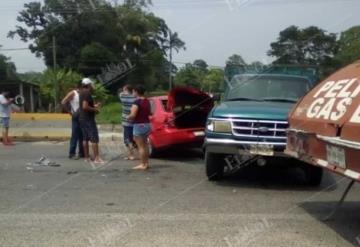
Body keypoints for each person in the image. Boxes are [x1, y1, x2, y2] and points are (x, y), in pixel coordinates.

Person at [79, 78, 105, 164]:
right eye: (92, 85)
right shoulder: (87, 93)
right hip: (88, 119)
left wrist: (94, 105)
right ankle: (97, 158)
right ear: (89, 85)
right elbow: (85, 106)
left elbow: (85, 105)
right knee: (94, 138)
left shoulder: (82, 92)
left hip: (82, 118)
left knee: (85, 138)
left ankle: (87, 157)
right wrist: (95, 110)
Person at [128, 85, 152, 170]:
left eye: (133, 91)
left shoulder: (136, 102)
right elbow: (150, 113)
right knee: (145, 145)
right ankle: (146, 163)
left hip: (139, 125)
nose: (133, 93)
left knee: (140, 146)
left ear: (136, 92)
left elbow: (133, 115)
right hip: (147, 124)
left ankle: (142, 164)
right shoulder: (147, 101)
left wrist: (128, 117)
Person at [61, 83, 84, 160]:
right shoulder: (73, 93)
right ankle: (72, 153)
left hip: (82, 117)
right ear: (79, 87)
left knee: (82, 135)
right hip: (76, 116)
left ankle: (81, 152)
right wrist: (70, 112)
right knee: (75, 135)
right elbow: (63, 102)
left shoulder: (82, 93)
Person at [118, 84, 136, 160]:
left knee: (127, 139)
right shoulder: (135, 97)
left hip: (126, 121)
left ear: (126, 90)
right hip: (134, 121)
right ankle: (131, 154)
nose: (122, 90)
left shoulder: (123, 97)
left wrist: (124, 92)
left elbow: (120, 94)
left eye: (124, 89)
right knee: (132, 138)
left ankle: (131, 155)